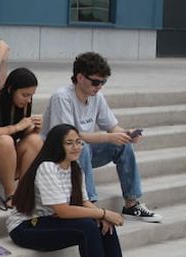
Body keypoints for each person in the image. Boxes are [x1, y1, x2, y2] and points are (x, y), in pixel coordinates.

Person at [8, 124, 150, 257]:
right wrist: (103, 213)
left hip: (51, 221)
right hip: (26, 227)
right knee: (88, 226)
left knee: (102, 224)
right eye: (69, 143)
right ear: (57, 146)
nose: (76, 147)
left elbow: (83, 202)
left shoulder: (75, 168)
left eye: (78, 142)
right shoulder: (47, 167)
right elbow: (62, 211)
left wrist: (102, 216)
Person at [42, 52, 160, 222]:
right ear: (80, 77)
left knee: (123, 145)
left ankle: (131, 204)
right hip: (57, 155)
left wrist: (126, 134)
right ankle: (89, 204)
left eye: (103, 82)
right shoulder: (62, 98)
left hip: (83, 152)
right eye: (95, 82)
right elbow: (68, 137)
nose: (99, 87)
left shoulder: (97, 97)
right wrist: (107, 137)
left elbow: (112, 127)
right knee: (80, 146)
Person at [0, 67, 44, 205]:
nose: (28, 100)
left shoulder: (23, 105)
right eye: (24, 95)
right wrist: (17, 127)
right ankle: (11, 195)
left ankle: (24, 192)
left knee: (35, 140)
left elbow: (22, 137)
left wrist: (33, 129)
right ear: (10, 89)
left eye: (31, 96)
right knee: (5, 141)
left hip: (8, 155)